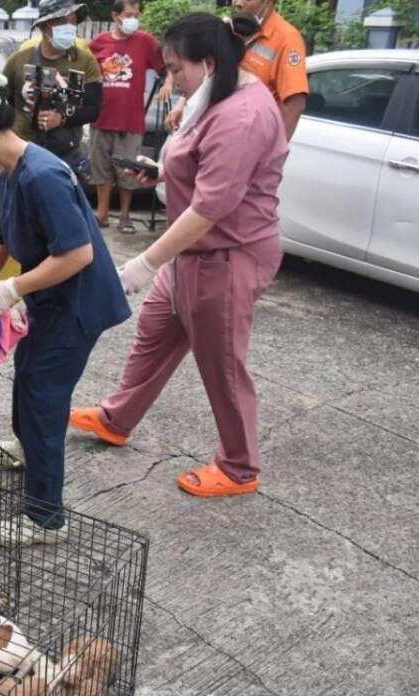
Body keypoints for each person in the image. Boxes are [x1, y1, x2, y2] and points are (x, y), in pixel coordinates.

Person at [70, 13, 288, 498]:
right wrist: (162, 172)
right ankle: (116, 417)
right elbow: (199, 164)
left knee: (222, 364)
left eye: (176, 69)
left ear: (209, 63)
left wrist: (144, 264)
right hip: (192, 254)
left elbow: (211, 206)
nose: (171, 80)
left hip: (227, 256)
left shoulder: (244, 115)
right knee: (153, 330)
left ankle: (239, 467)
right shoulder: (212, 95)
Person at [0, 73, 128, 544]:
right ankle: (29, 451)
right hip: (49, 301)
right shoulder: (8, 171)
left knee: (43, 396)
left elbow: (78, 254)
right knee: (30, 376)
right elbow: (4, 238)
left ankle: (45, 517)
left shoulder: (42, 175)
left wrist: (10, 290)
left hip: (78, 306)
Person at [166, 0, 307, 138]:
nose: (238, 3)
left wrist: (272, 152)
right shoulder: (228, 29)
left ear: (269, 2)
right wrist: (183, 105)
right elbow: (204, 72)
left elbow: (295, 103)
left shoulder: (287, 39)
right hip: (214, 130)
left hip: (248, 137)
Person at [89, 0, 169, 233]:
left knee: (128, 173)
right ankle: (102, 214)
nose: (133, 19)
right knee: (101, 169)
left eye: (136, 15)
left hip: (131, 119)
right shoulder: (98, 43)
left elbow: (167, 67)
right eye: (128, 14)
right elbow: (85, 72)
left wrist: (169, 82)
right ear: (116, 16)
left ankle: (125, 216)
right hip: (102, 117)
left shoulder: (145, 41)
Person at [1, 0, 103, 183]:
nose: (70, 27)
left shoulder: (84, 61)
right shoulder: (18, 61)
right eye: (63, 21)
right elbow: (5, 103)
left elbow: (93, 109)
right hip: (22, 154)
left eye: (73, 21)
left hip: (67, 157)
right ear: (44, 27)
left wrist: (61, 119)